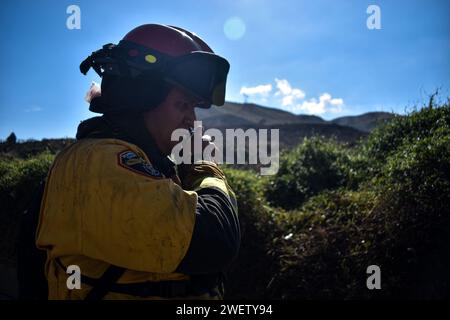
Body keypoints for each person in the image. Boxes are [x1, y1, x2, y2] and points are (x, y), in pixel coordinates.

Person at [35, 24, 240, 300]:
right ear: (142, 95)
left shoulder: (143, 162)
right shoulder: (97, 162)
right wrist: (202, 164)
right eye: (183, 105)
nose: (192, 120)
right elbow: (216, 240)